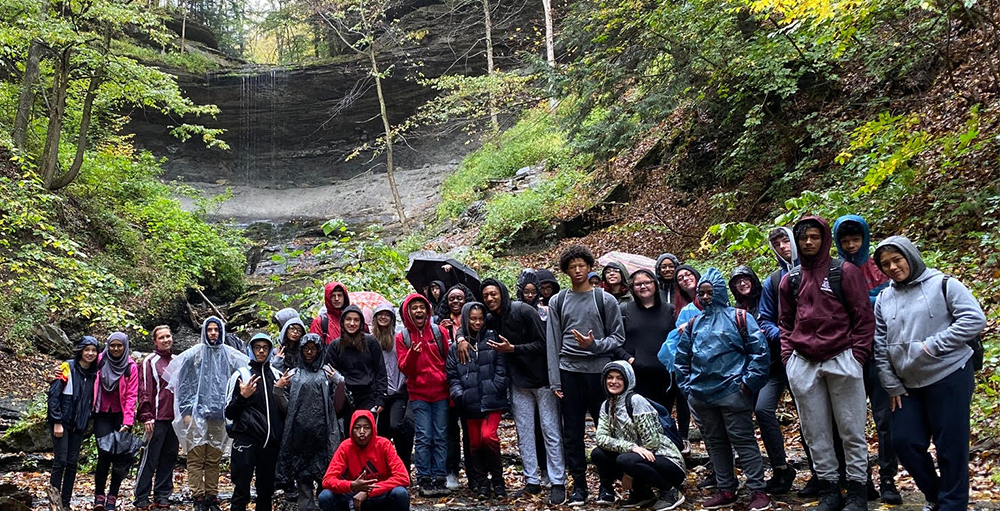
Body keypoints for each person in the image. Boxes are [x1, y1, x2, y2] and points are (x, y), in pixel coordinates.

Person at [873, 236, 986, 511]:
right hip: (907, 385)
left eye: (897, 260)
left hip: (949, 374)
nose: (893, 267)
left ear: (910, 256)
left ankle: (952, 504)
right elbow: (880, 343)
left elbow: (974, 320)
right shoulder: (884, 298)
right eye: (886, 263)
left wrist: (933, 345)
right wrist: (891, 384)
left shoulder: (943, 284)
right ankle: (936, 494)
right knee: (904, 442)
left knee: (951, 447)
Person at [779, 216, 876, 511]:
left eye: (814, 237)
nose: (809, 242)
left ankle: (857, 489)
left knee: (851, 428)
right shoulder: (790, 279)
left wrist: (857, 356)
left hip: (842, 357)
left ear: (824, 239)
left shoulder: (843, 272)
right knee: (815, 431)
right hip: (804, 362)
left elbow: (863, 316)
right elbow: (784, 323)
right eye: (804, 238)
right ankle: (830, 488)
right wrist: (788, 359)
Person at [674, 268, 772, 511]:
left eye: (709, 292)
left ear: (718, 292)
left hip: (733, 392)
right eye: (701, 293)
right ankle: (726, 488)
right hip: (702, 395)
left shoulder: (739, 317)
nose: (706, 297)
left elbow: (759, 352)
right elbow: (682, 358)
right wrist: (689, 389)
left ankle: (758, 489)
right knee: (715, 443)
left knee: (744, 441)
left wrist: (747, 385)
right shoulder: (694, 323)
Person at [546, 244, 625, 506]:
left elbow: (618, 337)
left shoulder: (605, 299)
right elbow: (553, 342)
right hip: (569, 372)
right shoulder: (558, 301)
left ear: (590, 267)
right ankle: (578, 485)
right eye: (572, 267)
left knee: (605, 430)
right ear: (566, 272)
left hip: (600, 373)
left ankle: (606, 486)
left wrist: (594, 346)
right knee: (573, 432)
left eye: (581, 266)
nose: (577, 271)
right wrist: (555, 379)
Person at [834, 214, 900, 504]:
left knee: (885, 420)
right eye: (845, 240)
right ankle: (861, 478)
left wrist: (862, 300)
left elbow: (893, 300)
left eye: (855, 239)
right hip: (848, 354)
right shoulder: (834, 270)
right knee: (850, 422)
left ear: (865, 238)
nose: (850, 245)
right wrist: (869, 300)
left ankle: (888, 479)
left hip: (881, 353)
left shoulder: (879, 266)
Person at [165, 316, 249, 511]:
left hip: (219, 415)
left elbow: (245, 371)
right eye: (209, 330)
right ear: (204, 332)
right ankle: (198, 498)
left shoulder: (229, 355)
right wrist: (186, 412)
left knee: (213, 458)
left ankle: (211, 496)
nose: (213, 333)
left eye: (216, 330)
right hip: (196, 414)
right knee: (195, 458)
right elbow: (183, 384)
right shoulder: (193, 355)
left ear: (221, 332)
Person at [591, 361, 686, 511]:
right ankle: (642, 493)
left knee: (625, 459)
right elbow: (601, 438)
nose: (613, 382)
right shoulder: (606, 405)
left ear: (628, 379)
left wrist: (629, 474)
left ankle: (670, 492)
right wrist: (632, 447)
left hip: (666, 461)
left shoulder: (636, 401)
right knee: (598, 454)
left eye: (619, 378)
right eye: (610, 377)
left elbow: (652, 442)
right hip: (636, 457)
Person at [277, 333, 347, 511]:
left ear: (319, 350)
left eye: (313, 349)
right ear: (300, 351)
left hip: (323, 436)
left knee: (326, 478)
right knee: (303, 481)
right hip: (300, 436)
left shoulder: (327, 373)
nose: (309, 352)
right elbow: (287, 407)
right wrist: (278, 390)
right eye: (306, 349)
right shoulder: (294, 375)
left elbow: (338, 406)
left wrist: (339, 383)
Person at [447, 302, 509, 499]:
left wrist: (495, 387)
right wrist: (461, 395)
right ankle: (482, 482)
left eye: (480, 319)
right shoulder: (455, 347)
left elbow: (501, 368)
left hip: (492, 401)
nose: (477, 322)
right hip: (470, 403)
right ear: (466, 319)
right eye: (473, 319)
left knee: (488, 437)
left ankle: (498, 481)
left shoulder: (492, 339)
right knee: (474, 443)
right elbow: (452, 375)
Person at [753, 227, 799, 495]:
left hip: (809, 357)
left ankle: (822, 473)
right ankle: (781, 468)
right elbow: (765, 317)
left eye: (785, 240)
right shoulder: (773, 280)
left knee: (809, 415)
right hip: (778, 359)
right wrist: (783, 337)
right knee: (762, 409)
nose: (783, 246)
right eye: (776, 243)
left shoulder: (818, 271)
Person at [225, 333, 291, 511]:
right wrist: (242, 397)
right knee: (241, 491)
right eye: (257, 347)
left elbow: (287, 411)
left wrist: (279, 391)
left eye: (265, 347)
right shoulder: (241, 375)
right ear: (251, 350)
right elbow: (229, 412)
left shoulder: (277, 376)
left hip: (270, 443)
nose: (261, 351)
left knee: (266, 492)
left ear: (270, 350)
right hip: (246, 442)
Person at [395, 293, 452, 497]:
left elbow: (448, 359)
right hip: (418, 394)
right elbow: (404, 368)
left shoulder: (439, 332)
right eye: (414, 307)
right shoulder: (402, 337)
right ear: (408, 312)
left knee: (440, 436)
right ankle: (424, 478)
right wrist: (413, 352)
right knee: (424, 436)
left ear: (428, 310)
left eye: (422, 307)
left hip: (441, 393)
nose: (418, 311)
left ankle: (439, 476)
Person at [46, 336, 99, 511]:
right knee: (60, 461)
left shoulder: (94, 373)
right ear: (80, 351)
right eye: (87, 350)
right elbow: (54, 395)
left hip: (79, 424)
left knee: (72, 463)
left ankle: (66, 503)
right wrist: (57, 421)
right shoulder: (66, 367)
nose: (90, 353)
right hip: (62, 422)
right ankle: (54, 503)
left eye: (93, 350)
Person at [319, 411, 411, 511]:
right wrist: (351, 486)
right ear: (351, 430)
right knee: (325, 496)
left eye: (367, 427)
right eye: (357, 427)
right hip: (353, 495)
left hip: (380, 494)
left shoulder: (384, 444)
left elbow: (403, 477)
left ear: (373, 429)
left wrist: (368, 492)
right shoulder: (345, 447)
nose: (362, 431)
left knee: (400, 493)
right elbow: (327, 480)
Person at [614, 269, 675, 409]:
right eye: (638, 284)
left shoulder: (670, 310)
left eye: (647, 282)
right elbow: (615, 339)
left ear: (655, 284)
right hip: (636, 375)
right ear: (632, 288)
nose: (643, 286)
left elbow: (676, 340)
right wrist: (629, 359)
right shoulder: (624, 310)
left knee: (663, 417)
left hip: (664, 375)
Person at [92, 332, 139, 511]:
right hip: (101, 414)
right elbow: (80, 366)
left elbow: (131, 395)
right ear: (108, 346)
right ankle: (99, 497)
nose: (116, 349)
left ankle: (112, 497)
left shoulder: (130, 367)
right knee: (104, 455)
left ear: (125, 346)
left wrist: (127, 422)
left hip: (120, 416)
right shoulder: (99, 361)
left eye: (120, 345)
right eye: (113, 345)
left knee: (119, 459)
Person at [133, 326, 179, 511]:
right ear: (155, 341)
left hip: (174, 418)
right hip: (156, 418)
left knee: (169, 457)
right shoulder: (149, 362)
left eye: (168, 336)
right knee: (150, 458)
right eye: (162, 337)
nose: (166, 340)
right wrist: (146, 416)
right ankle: (141, 497)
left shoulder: (177, 360)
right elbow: (144, 390)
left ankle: (162, 495)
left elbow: (183, 388)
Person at [434, 284, 474, 490]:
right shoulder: (440, 324)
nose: (456, 302)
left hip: (471, 383)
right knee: (450, 431)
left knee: (470, 430)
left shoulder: (473, 321)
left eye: (460, 298)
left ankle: (474, 473)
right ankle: (451, 471)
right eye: (452, 299)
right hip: (447, 384)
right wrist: (442, 331)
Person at [373, 304, 415, 470]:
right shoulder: (370, 339)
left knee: (396, 426)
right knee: (381, 431)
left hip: (398, 390)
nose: (383, 318)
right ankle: (386, 469)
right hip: (380, 392)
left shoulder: (399, 336)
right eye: (380, 315)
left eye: (387, 315)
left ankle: (403, 465)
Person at [326, 305, 388, 414]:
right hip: (344, 396)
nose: (352, 323)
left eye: (356, 320)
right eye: (348, 319)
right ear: (343, 322)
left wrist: (381, 398)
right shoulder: (335, 345)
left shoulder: (371, 342)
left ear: (361, 323)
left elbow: (380, 371)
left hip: (369, 396)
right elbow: (328, 372)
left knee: (365, 430)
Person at [272, 307, 306, 371]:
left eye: (298, 330)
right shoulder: (276, 352)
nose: (280, 330)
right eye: (292, 328)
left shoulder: (304, 351)